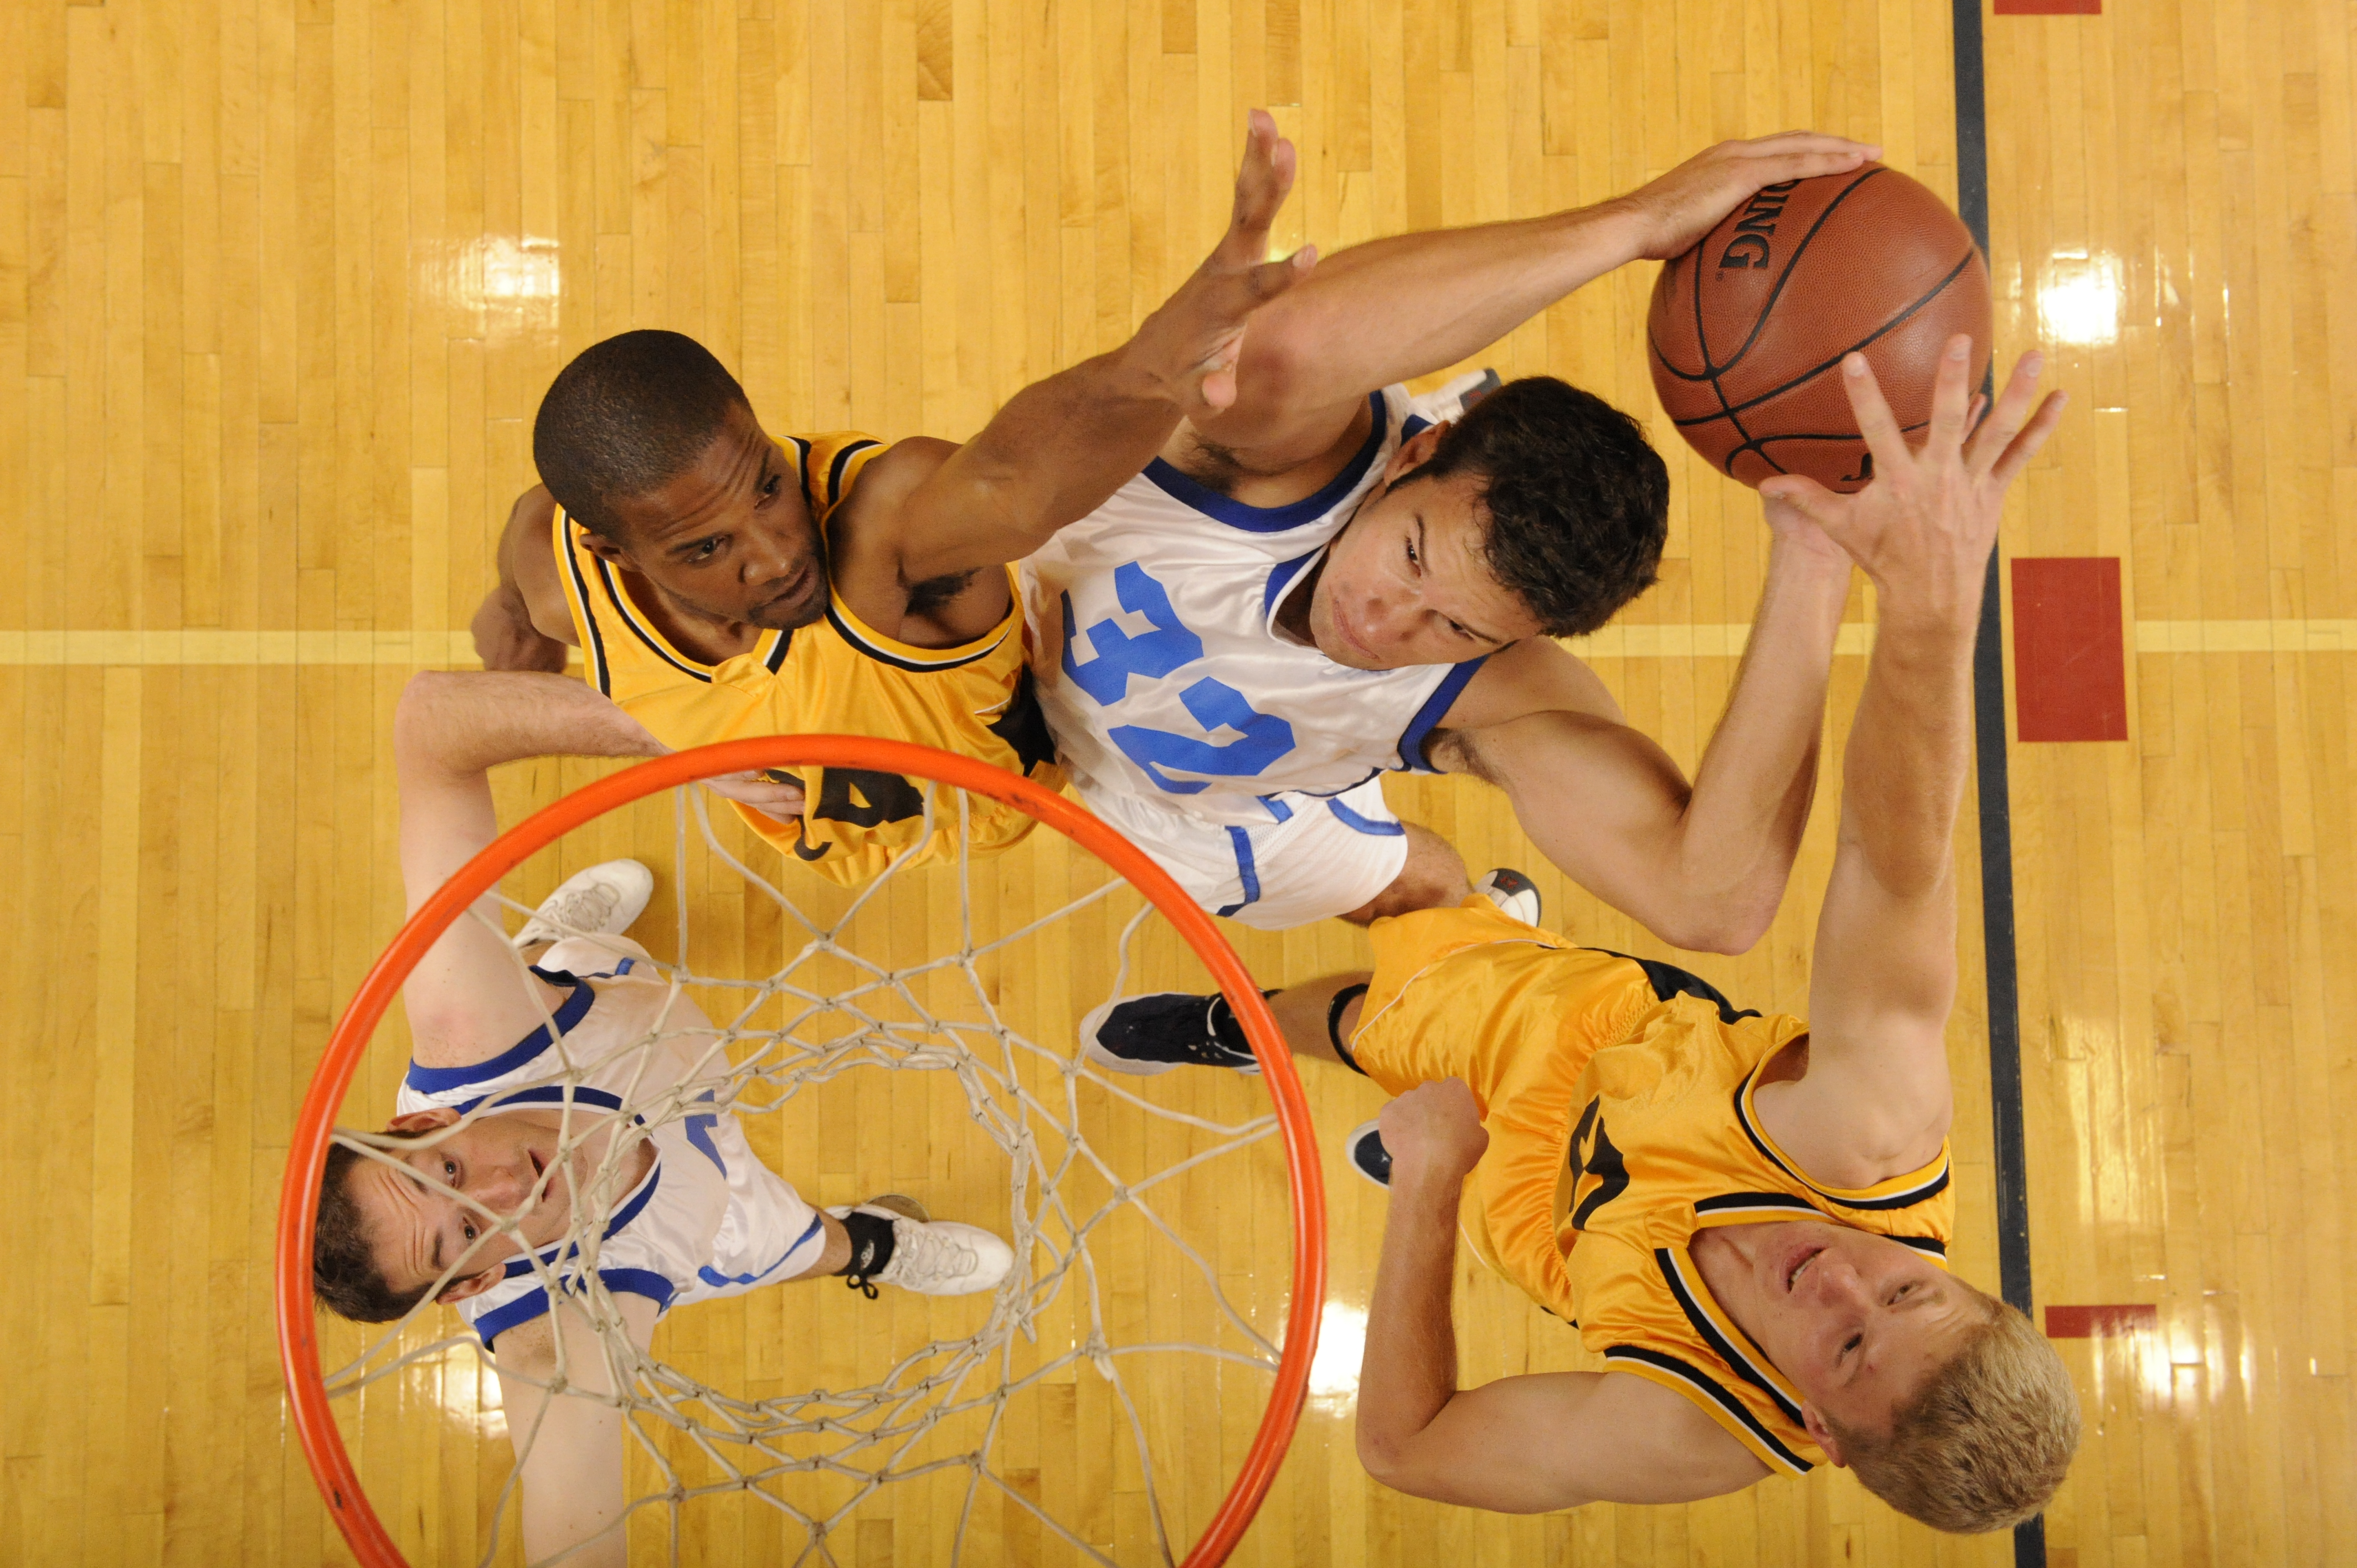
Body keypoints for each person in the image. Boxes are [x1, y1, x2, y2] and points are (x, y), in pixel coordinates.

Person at [1109, 344, 2082, 1529]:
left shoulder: (1689, 1432)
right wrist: (1929, 608)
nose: (1839, 1280)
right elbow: (1892, 866)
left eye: (1843, 1347)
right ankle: (1242, 1023)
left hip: (1515, 1192)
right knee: (1401, 936)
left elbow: (1409, 1449)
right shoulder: (1864, 1134)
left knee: (1388, 1028)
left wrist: (1428, 1183)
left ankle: (1283, 1041)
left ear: (1818, 1430)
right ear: (1961, 1280)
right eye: (1904, 1288)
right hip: (1580, 1038)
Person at [1026, 133, 1889, 965]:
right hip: (1004, 640)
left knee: (1414, 891)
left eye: (1457, 629)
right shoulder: (1289, 456)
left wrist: (1815, 552)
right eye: (1410, 555)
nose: (1381, 624)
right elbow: (1282, 346)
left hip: (1215, 817)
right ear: (1417, 453)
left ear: (1516, 640)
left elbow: (1713, 903)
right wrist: (1635, 222)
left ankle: (1375, 955)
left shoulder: (1499, 694)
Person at [469, 114, 1314, 883]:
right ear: (612, 551)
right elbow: (532, 530)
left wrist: (1154, 369)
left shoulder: (880, 528)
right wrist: (514, 616)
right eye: (707, 548)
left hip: (1024, 796)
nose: (776, 551)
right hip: (831, 844)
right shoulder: (561, 579)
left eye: (765, 486)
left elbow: (1012, 490)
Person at [309, 669, 1017, 1566]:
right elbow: (570, 1525)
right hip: (707, 1208)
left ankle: (540, 942)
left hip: (609, 1006)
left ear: (420, 1128)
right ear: (471, 1287)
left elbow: (430, 723)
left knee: (544, 960)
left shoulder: (466, 1029)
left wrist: (677, 731)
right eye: (464, 1230)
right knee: (799, 1242)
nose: (501, 1186)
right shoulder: (559, 1338)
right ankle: (878, 1244)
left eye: (446, 1172)